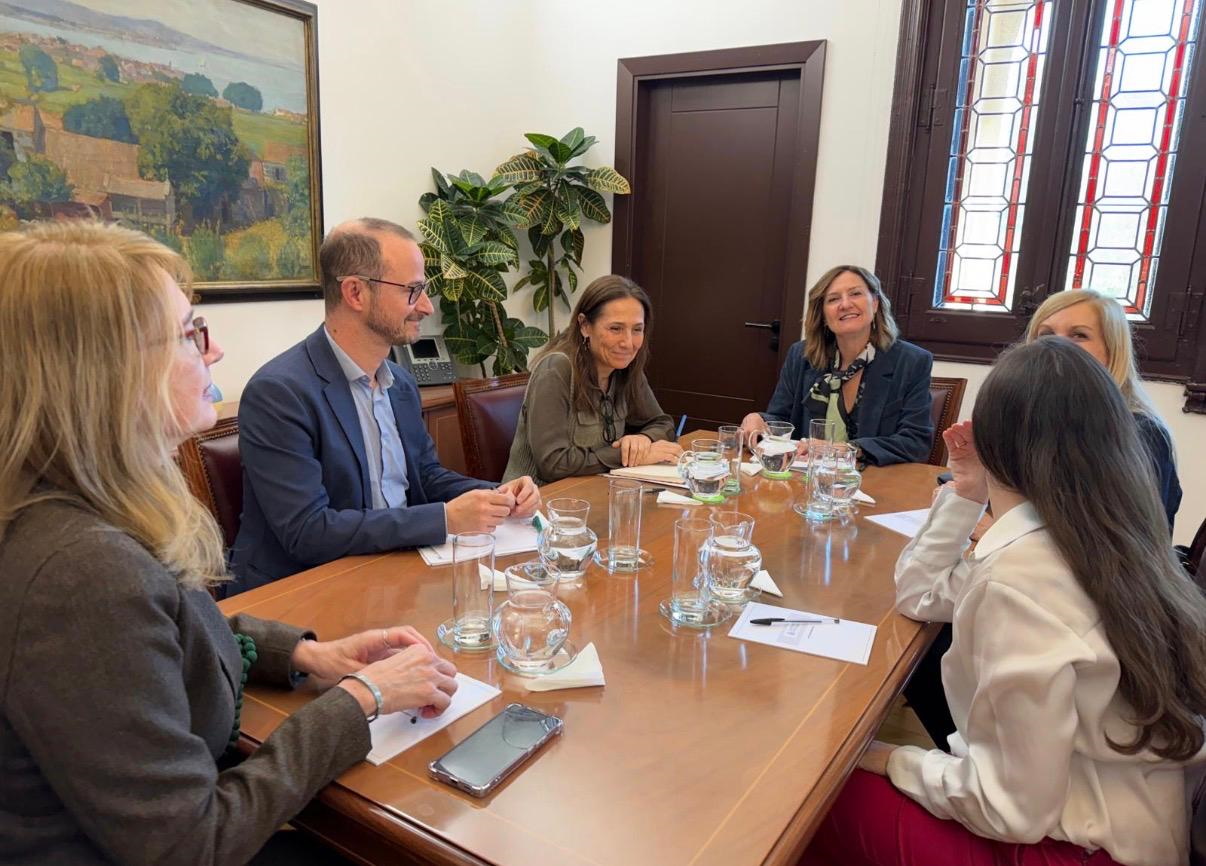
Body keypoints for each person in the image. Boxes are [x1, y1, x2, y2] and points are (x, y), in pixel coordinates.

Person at [0, 221, 460, 865]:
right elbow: (191, 845)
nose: (214, 351)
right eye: (190, 333)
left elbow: (167, 632)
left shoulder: (99, 511)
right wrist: (363, 699)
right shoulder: (83, 568)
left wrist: (306, 654)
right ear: (103, 371)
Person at [804, 337, 1206, 866]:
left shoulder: (1020, 577)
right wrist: (968, 490)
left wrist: (889, 758)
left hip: (1079, 847)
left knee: (810, 794)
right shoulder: (1110, 541)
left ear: (993, 441)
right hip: (1126, 819)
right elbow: (920, 595)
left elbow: (1008, 809)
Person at [231, 218, 540, 594]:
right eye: (412, 290)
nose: (426, 307)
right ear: (355, 293)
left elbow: (425, 476)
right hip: (303, 590)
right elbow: (308, 532)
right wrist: (444, 519)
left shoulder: (401, 383)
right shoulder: (279, 393)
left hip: (392, 571)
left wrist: (499, 494)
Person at [739, 265, 933, 465]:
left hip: (875, 477)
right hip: (806, 475)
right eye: (833, 299)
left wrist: (850, 449)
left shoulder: (911, 362)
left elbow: (915, 441)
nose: (845, 304)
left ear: (875, 304)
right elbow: (780, 418)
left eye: (855, 294)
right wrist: (759, 419)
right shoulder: (801, 355)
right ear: (823, 314)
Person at [502, 274, 681, 485]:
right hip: (536, 499)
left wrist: (643, 440)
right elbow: (553, 464)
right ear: (585, 325)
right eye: (615, 328)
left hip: (595, 489)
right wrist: (625, 455)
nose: (628, 342)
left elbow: (662, 423)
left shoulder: (625, 367)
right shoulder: (555, 369)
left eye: (637, 329)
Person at [1026, 288, 1181, 530]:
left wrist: (1002, 528)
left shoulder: (1141, 434)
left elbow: (1117, 538)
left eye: (1078, 335)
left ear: (1112, 351)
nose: (1056, 344)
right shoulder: (1032, 418)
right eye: (1046, 334)